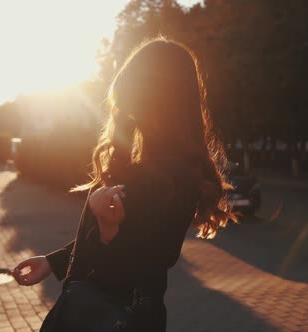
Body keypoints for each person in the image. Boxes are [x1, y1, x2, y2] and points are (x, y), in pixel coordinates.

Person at [12, 38, 237, 331]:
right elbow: (117, 239)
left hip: (117, 318)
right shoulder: (142, 164)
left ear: (160, 96)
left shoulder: (174, 173)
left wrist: (108, 231)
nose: (125, 106)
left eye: (133, 91)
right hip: (96, 311)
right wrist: (53, 262)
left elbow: (150, 261)